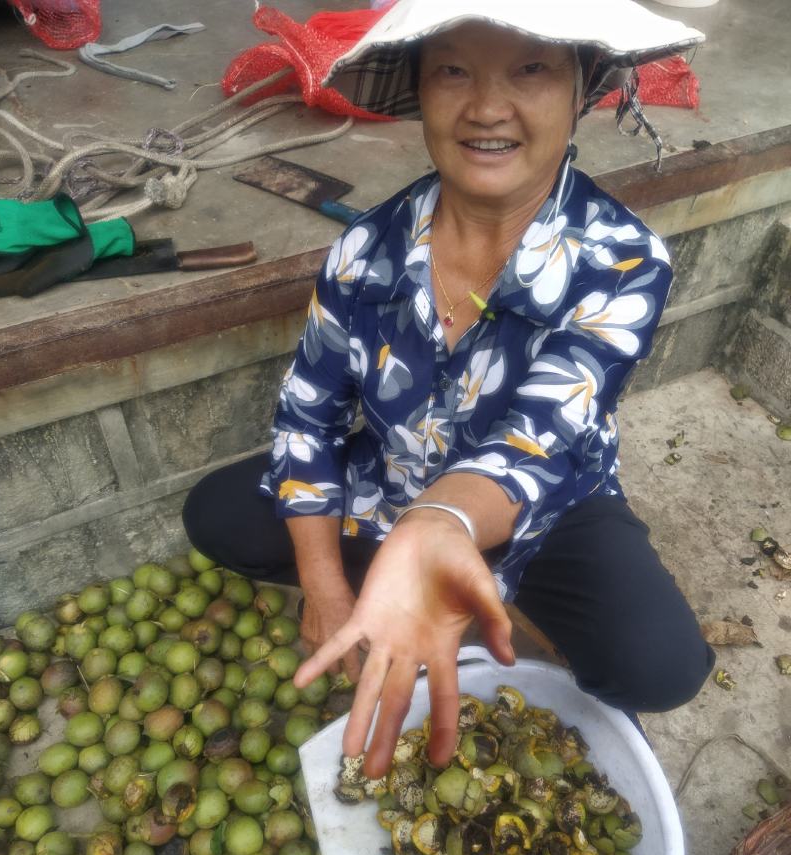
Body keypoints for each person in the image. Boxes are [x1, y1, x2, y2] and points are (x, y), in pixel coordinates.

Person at [183, 0, 713, 779]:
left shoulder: (625, 261)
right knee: (219, 515)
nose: (487, 108)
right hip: (392, 478)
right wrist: (325, 586)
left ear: (582, 85)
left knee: (660, 663)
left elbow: (539, 438)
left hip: (546, 503)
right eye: (453, 70)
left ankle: (457, 581)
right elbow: (308, 416)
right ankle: (400, 582)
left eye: (531, 67)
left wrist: (438, 523)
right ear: (421, 90)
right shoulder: (365, 249)